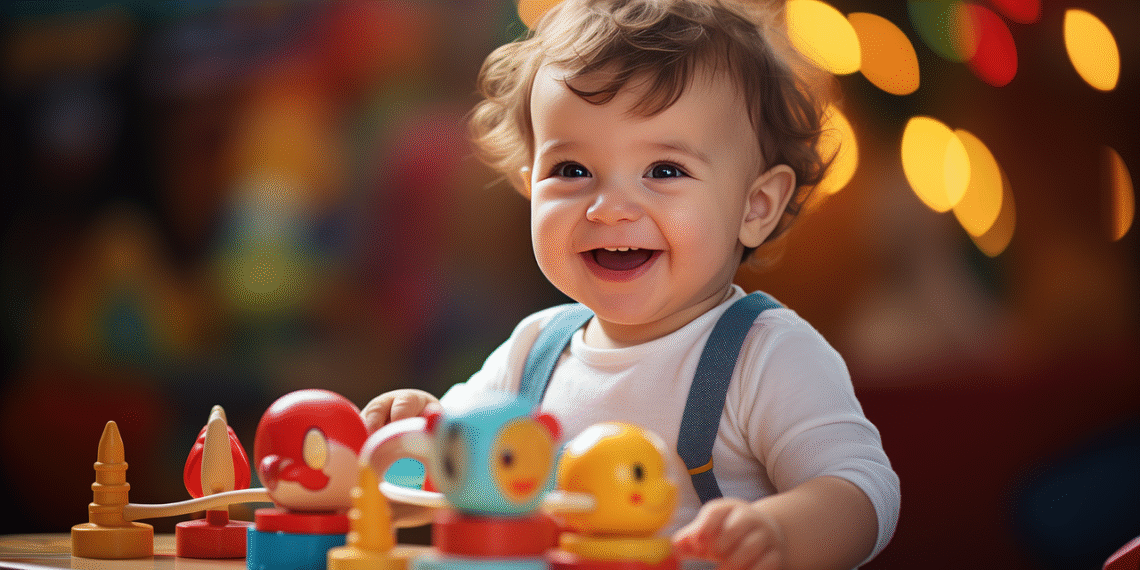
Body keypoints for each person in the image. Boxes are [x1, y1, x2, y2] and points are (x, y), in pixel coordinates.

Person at [363, 0, 899, 568]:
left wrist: (779, 532)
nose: (610, 208)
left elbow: (863, 489)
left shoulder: (764, 356)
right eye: (571, 171)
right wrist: (419, 434)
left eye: (664, 171)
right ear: (529, 186)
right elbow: (452, 481)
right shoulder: (532, 354)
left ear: (755, 205)